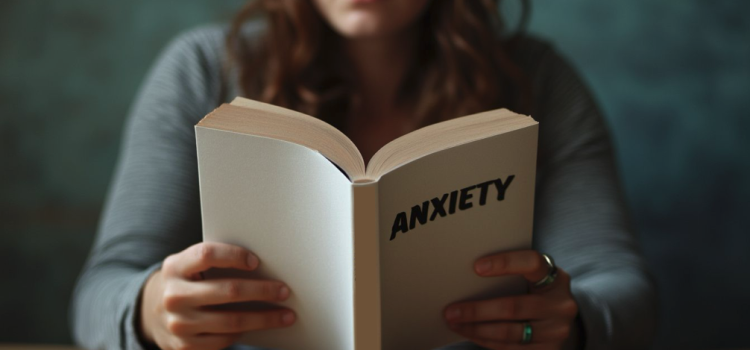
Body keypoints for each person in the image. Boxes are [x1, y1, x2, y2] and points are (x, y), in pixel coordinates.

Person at [71, 1, 656, 349]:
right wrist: (149, 310)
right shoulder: (205, 72)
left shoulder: (536, 82)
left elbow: (624, 291)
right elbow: (99, 293)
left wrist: (567, 324)